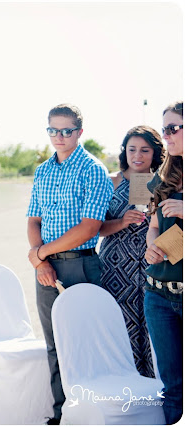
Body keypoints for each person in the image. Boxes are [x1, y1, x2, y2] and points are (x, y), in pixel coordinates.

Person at [27, 103, 113, 424]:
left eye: (66, 130)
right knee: (55, 346)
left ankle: (89, 415)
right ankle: (62, 415)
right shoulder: (43, 170)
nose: (59, 136)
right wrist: (40, 261)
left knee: (84, 344)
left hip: (82, 266)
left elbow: (90, 227)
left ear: (79, 132)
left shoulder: (93, 169)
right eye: (53, 130)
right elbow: (34, 219)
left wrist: (40, 253)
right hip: (46, 268)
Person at [99, 125, 165, 378]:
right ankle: (121, 390)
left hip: (153, 268)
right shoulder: (111, 181)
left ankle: (154, 390)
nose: (137, 155)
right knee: (119, 328)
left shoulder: (163, 182)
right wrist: (122, 222)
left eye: (145, 150)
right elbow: (96, 228)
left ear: (155, 153)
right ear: (124, 151)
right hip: (115, 271)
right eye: (132, 149)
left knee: (153, 332)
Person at [144, 101, 183, 424]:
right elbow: (153, 226)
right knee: (172, 388)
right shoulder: (165, 176)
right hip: (157, 295)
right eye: (165, 128)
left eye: (173, 128)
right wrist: (151, 247)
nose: (166, 135)